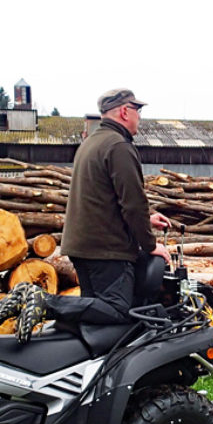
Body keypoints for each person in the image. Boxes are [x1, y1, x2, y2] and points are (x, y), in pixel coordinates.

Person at [0, 88, 172, 343]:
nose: (139, 117)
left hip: (82, 246)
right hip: (107, 249)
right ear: (125, 111)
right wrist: (150, 245)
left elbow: (102, 199)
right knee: (118, 310)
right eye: (138, 110)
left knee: (94, 317)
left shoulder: (90, 143)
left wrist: (147, 220)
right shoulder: (119, 146)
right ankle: (43, 302)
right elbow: (132, 203)